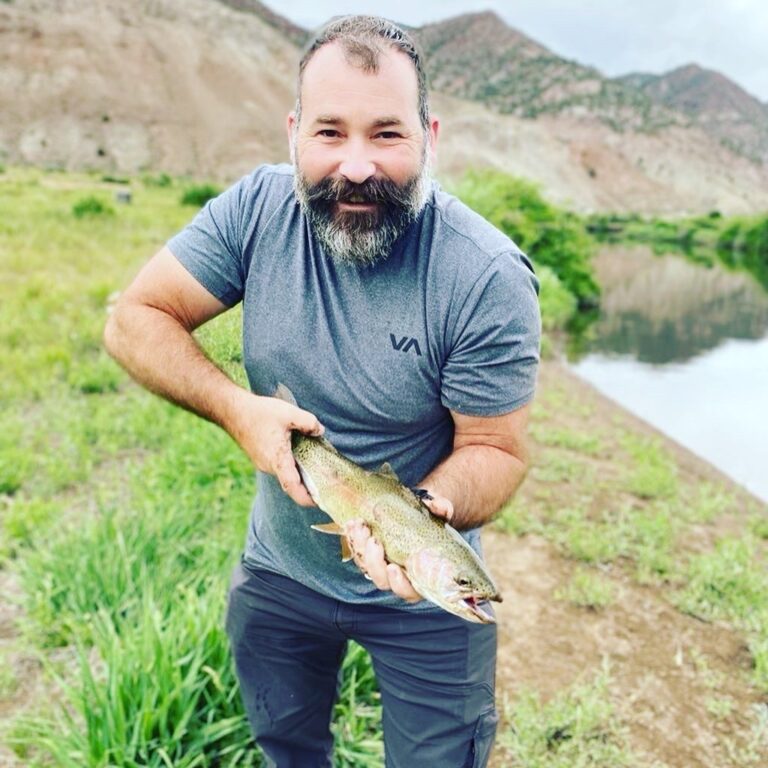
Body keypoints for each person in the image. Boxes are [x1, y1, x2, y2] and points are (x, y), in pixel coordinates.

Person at [104, 14, 540, 768]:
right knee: (286, 748)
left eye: (388, 135)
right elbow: (134, 317)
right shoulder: (256, 211)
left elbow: (496, 449)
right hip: (279, 568)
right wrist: (238, 410)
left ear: (430, 135)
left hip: (423, 604)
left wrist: (419, 524)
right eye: (331, 132)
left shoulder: (486, 277)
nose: (358, 165)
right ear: (294, 133)